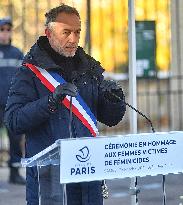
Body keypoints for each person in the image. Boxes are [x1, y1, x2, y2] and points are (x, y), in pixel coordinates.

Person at [4, 4, 126, 205]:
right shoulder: (30, 72)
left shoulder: (89, 68)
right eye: (66, 32)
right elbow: (14, 121)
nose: (73, 39)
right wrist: (50, 101)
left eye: (77, 32)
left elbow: (110, 119)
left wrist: (114, 100)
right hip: (50, 182)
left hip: (88, 177)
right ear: (49, 33)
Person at [0, 17, 25, 185]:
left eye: (8, 30)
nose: (5, 33)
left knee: (15, 138)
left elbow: (23, 78)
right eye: (2, 30)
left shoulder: (17, 53)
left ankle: (15, 173)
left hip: (12, 104)